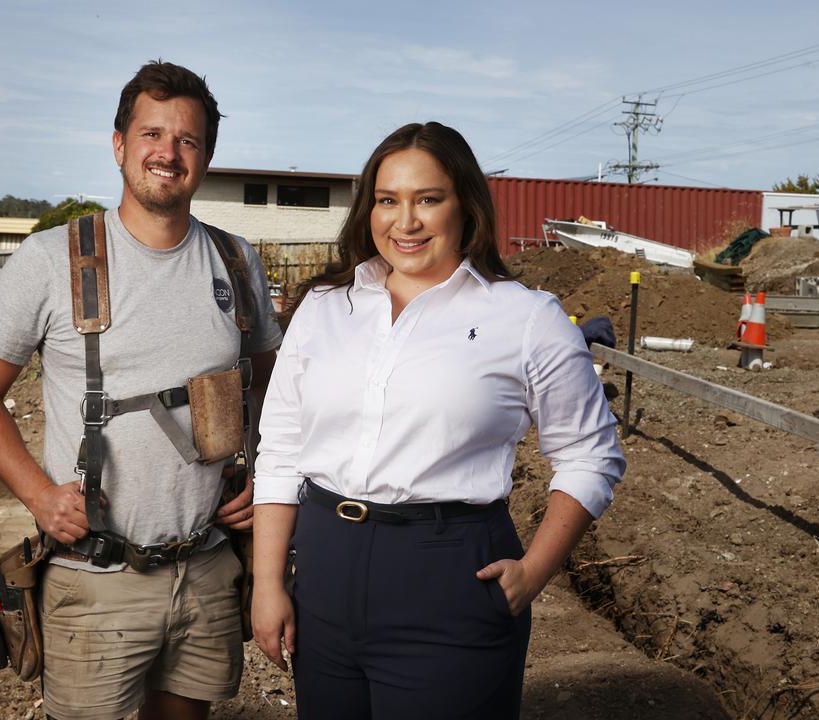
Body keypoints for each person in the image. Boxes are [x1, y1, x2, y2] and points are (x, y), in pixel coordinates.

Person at [249, 122, 625, 720]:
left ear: (465, 204)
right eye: (387, 200)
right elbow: (282, 449)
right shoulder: (325, 308)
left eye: (428, 199)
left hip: (447, 576)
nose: (406, 221)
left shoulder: (525, 319)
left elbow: (591, 454)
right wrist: (268, 582)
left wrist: (535, 572)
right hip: (323, 570)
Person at [0, 61, 281, 720]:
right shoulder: (53, 261)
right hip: (96, 578)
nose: (168, 152)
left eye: (187, 139)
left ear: (206, 156)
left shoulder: (236, 262)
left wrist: (263, 472)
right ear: (119, 146)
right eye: (151, 133)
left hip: (207, 564)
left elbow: (273, 387)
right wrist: (40, 495)